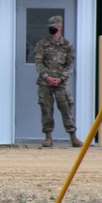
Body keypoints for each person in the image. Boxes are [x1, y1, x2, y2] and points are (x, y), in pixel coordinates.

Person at [34, 15, 82, 148]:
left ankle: (73, 137)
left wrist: (61, 78)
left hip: (61, 83)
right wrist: (46, 77)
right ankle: (48, 137)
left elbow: (69, 65)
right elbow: (38, 62)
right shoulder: (42, 44)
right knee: (46, 109)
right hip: (45, 83)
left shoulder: (67, 46)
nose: (51, 29)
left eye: (53, 27)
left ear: (59, 27)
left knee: (66, 108)